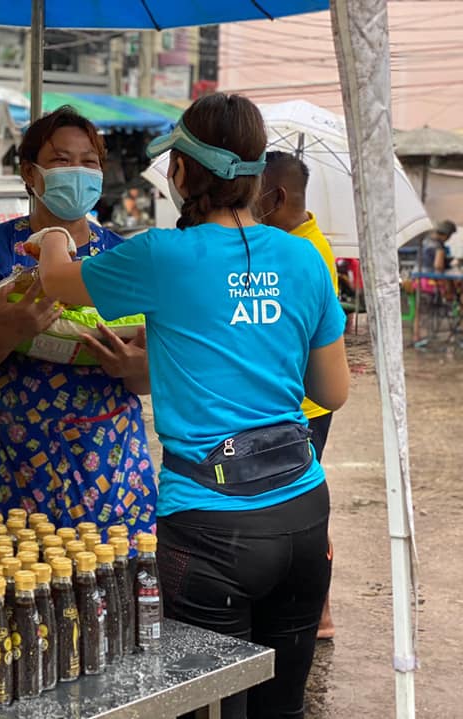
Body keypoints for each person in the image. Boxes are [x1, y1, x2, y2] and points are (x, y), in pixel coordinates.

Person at [36, 93, 350, 719]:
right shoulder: (304, 257)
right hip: (302, 514)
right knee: (280, 705)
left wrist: (49, 236)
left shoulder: (162, 254)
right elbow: (332, 391)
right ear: (258, 174)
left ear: (181, 173)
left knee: (204, 704)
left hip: (209, 527)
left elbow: (57, 281)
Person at [0, 106, 157, 540]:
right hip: (6, 454)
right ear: (30, 173)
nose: (77, 171)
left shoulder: (122, 258)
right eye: (61, 160)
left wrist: (136, 370)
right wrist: (6, 332)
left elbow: (152, 363)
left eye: (89, 161)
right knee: (8, 583)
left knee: (105, 582)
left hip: (106, 457)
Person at [257, 150, 338, 640]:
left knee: (301, 509)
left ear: (276, 197)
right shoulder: (296, 242)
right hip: (302, 404)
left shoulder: (304, 252)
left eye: (251, 194)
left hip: (303, 408)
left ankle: (319, 612)